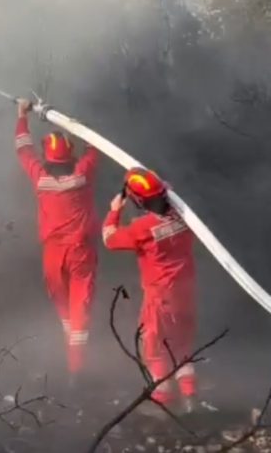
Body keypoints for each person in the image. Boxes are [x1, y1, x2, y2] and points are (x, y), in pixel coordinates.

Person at [13, 98, 99, 386]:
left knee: (65, 310)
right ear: (70, 157)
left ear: (48, 159)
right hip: (81, 253)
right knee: (80, 310)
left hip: (53, 254)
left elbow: (24, 150)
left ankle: (71, 358)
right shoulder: (82, 176)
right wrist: (73, 126)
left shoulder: (41, 180)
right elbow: (94, 147)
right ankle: (77, 369)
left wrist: (22, 115)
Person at [102, 167, 198, 415]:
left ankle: (162, 400)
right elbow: (166, 194)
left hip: (160, 296)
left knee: (153, 347)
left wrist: (115, 210)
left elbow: (110, 239)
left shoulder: (142, 228)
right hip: (186, 292)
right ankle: (190, 398)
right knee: (182, 344)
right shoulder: (183, 214)